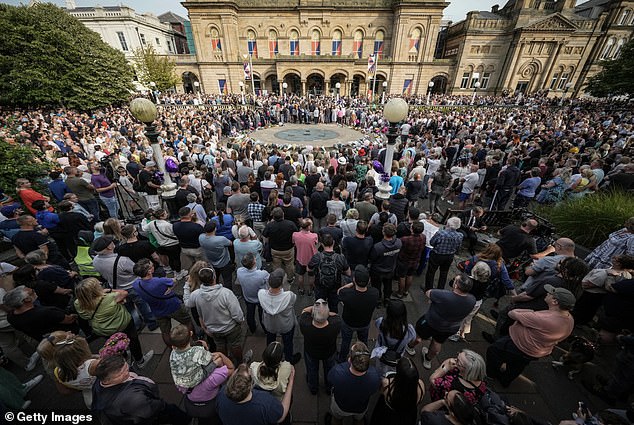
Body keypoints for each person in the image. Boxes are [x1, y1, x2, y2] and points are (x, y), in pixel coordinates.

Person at [486, 285, 575, 387]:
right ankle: (505, 381)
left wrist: (528, 312)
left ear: (555, 302)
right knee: (517, 365)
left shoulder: (542, 318)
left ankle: (491, 374)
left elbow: (512, 313)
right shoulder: (569, 319)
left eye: (551, 293)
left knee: (493, 351)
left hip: (518, 345)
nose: (547, 294)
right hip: (536, 351)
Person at [74, 278, 154, 368]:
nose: (100, 284)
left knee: (114, 344)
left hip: (103, 329)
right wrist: (109, 290)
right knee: (133, 340)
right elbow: (124, 293)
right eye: (98, 285)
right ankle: (140, 360)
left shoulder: (78, 303)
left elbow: (85, 316)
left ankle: (124, 359)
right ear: (95, 290)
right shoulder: (109, 297)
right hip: (123, 325)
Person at [92, 354, 189, 425]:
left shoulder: (99, 382)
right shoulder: (133, 399)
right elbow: (153, 409)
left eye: (127, 367)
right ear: (109, 379)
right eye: (122, 372)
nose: (128, 372)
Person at [169, 324, 234, 421]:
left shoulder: (173, 355)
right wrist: (213, 354)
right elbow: (230, 369)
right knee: (217, 362)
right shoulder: (212, 376)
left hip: (186, 388)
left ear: (173, 346)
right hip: (204, 388)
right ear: (191, 334)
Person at [183, 266, 244, 363]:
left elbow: (187, 302)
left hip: (213, 329)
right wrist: (240, 321)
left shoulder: (196, 294)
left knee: (220, 346)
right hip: (230, 327)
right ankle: (240, 362)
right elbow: (237, 313)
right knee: (235, 345)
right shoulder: (226, 293)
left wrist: (186, 285)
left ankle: (224, 362)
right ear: (214, 277)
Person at [414, 274, 476, 370]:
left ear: (455, 285)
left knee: (418, 337)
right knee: (437, 342)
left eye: (455, 280)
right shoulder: (472, 300)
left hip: (430, 322)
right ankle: (428, 359)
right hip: (449, 328)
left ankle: (410, 347)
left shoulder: (442, 295)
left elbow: (428, 293)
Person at [132, 258, 194, 347]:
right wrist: (170, 287)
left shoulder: (136, 284)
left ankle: (171, 347)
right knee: (187, 322)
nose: (154, 266)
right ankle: (190, 340)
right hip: (173, 306)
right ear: (149, 272)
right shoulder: (159, 281)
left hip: (157, 311)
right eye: (152, 266)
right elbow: (173, 281)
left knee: (165, 332)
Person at [216, 363, 294, 425]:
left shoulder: (221, 394)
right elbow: (281, 416)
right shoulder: (265, 402)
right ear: (250, 386)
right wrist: (290, 382)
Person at [327, 342, 381, 425]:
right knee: (359, 421)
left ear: (350, 359)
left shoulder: (338, 372)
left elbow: (330, 379)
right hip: (360, 407)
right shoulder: (375, 376)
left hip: (340, 406)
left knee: (336, 419)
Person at [258, 268, 302, 365]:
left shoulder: (261, 294)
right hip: (286, 325)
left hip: (270, 324)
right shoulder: (289, 296)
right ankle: (289, 359)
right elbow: (293, 300)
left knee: (270, 340)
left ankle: (270, 357)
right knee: (288, 343)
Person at [4, 285, 78, 342]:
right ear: (27, 299)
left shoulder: (11, 317)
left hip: (46, 341)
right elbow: (69, 320)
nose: (35, 292)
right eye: (32, 292)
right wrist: (75, 315)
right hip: (66, 336)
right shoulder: (46, 312)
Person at [299, 299, 341, 395]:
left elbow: (304, 311)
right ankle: (329, 388)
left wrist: (315, 308)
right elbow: (335, 315)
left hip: (311, 352)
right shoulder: (336, 323)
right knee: (330, 370)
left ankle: (313, 388)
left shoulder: (305, 324)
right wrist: (325, 311)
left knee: (312, 370)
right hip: (329, 352)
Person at [337, 265, 379, 362]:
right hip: (364, 323)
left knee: (345, 342)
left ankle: (342, 359)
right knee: (363, 341)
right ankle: (364, 356)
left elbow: (339, 291)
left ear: (354, 280)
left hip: (348, 323)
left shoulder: (347, 294)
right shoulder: (375, 293)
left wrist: (351, 284)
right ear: (368, 280)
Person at [369, 357, 425, 425]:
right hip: (407, 416)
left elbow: (381, 392)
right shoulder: (421, 385)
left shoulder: (388, 384)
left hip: (387, 414)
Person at [50, 332, 99, 408]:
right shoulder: (92, 365)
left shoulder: (57, 372)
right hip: (104, 389)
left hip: (89, 395)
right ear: (82, 354)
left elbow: (65, 391)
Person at [372, 299, 417, 377]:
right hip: (397, 356)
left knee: (379, 367)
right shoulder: (409, 330)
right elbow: (413, 339)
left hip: (381, 352)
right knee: (394, 368)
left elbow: (376, 324)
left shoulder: (381, 322)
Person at [308, 233, 351, 313]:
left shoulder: (317, 257)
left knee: (319, 305)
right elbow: (348, 273)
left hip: (320, 286)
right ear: (333, 243)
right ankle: (333, 321)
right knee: (334, 306)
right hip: (335, 287)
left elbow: (309, 269)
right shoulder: (340, 258)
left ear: (321, 244)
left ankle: (320, 319)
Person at [424, 216, 463, 291]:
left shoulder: (440, 233)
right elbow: (458, 247)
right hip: (449, 256)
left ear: (448, 224)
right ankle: (440, 289)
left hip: (437, 255)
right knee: (444, 273)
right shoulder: (460, 235)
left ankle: (428, 289)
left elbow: (432, 243)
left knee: (431, 272)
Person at [236, 253, 269, 334]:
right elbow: (269, 280)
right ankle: (265, 330)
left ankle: (252, 329)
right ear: (254, 262)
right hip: (261, 299)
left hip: (248, 297)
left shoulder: (239, 271)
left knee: (250, 314)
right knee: (262, 316)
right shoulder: (262, 274)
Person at [370, 223, 402, 305]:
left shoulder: (378, 247)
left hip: (377, 271)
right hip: (390, 269)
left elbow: (372, 258)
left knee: (376, 286)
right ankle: (387, 299)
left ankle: (378, 300)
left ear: (383, 233)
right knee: (388, 285)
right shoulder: (399, 243)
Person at [263, 207, 298, 283]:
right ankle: (290, 278)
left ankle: (277, 279)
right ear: (283, 214)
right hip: (288, 249)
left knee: (276, 265)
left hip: (275, 250)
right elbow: (296, 234)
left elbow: (265, 236)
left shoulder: (270, 225)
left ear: (273, 216)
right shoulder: (290, 224)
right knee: (289, 264)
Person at [199, 221, 234, 289]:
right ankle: (228, 293)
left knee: (214, 278)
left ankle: (215, 289)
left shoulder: (201, 237)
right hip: (224, 263)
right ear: (215, 229)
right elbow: (230, 243)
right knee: (227, 280)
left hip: (211, 262)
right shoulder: (221, 239)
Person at [396, 221, 426, 298]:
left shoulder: (405, 239)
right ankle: (406, 291)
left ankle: (400, 293)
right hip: (415, 261)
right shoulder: (423, 237)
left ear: (412, 229)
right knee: (410, 275)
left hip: (404, 261)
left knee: (402, 277)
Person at [173, 206, 205, 271]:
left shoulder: (175, 225)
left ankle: (194, 265)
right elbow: (203, 236)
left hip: (184, 249)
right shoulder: (196, 226)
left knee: (192, 260)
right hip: (197, 249)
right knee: (201, 263)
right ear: (190, 214)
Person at [293, 218, 319, 295]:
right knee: (311, 276)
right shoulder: (314, 236)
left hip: (300, 258)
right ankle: (311, 290)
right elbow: (316, 244)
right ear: (308, 227)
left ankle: (301, 289)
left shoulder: (295, 235)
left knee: (300, 275)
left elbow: (294, 243)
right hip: (311, 259)